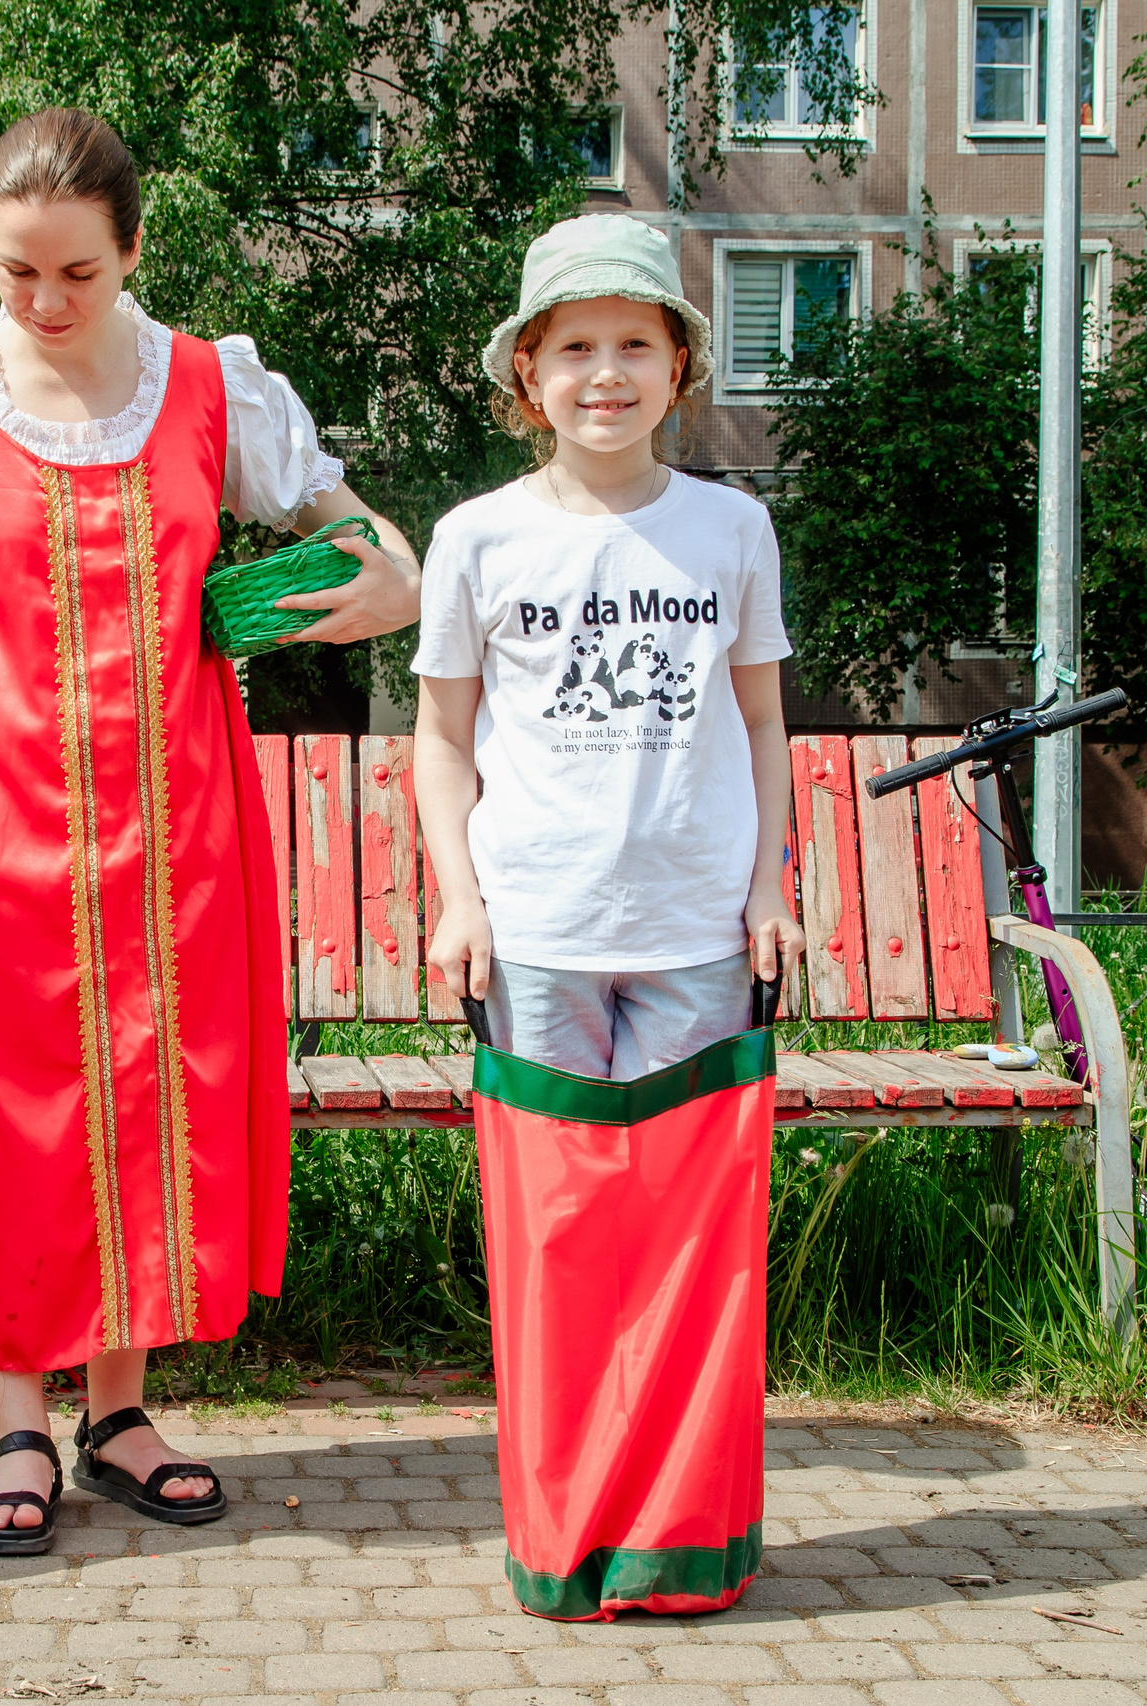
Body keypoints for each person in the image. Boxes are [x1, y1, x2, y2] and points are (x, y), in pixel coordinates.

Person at [0, 107, 421, 1556]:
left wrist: (398, 576)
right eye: (18, 273)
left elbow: (367, 541)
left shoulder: (211, 388)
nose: (47, 302)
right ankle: (16, 1413)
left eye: (77, 271)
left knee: (149, 1090)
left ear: (134, 250)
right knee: (10, 1107)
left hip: (178, 819)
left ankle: (118, 1409)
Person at [411, 212, 800, 1618]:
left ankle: (679, 1543)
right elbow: (443, 738)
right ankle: (572, 1536)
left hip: (696, 936)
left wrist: (767, 886)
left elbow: (762, 722)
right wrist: (459, 902)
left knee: (691, 1253)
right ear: (529, 375)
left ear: (680, 366)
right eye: (575, 347)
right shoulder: (478, 538)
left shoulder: (731, 528)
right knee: (563, 1248)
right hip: (541, 942)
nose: (606, 374)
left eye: (635, 342)